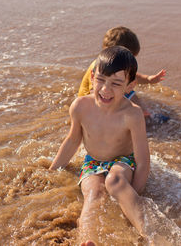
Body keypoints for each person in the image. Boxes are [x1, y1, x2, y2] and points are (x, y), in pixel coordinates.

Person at [50, 46, 151, 245]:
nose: (105, 89)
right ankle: (86, 240)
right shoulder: (80, 106)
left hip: (124, 160)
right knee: (93, 192)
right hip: (93, 160)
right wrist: (53, 170)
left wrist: (134, 196)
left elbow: (143, 160)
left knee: (114, 181)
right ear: (92, 75)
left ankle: (149, 236)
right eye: (101, 79)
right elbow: (72, 141)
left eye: (116, 83)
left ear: (130, 86)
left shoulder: (132, 114)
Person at [78, 26, 166, 120]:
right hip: (94, 101)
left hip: (110, 91)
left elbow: (130, 76)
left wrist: (148, 79)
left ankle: (145, 115)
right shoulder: (99, 67)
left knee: (132, 95)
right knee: (123, 101)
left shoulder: (118, 65)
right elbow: (94, 92)